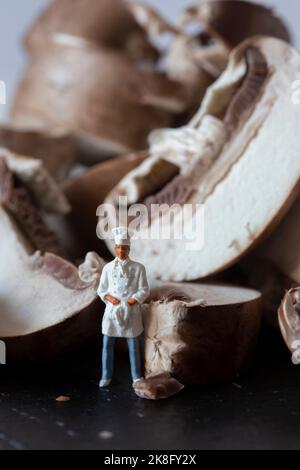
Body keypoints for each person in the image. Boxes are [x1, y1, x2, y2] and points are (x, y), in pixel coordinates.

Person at [98, 227, 150, 388]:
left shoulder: (138, 268)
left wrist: (132, 301)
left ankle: (136, 376)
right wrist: (110, 298)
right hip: (112, 312)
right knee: (107, 344)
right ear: (115, 249)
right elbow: (101, 289)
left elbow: (144, 289)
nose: (121, 251)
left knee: (133, 346)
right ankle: (106, 375)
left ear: (129, 249)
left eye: (125, 248)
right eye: (119, 247)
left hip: (131, 311)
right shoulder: (107, 268)